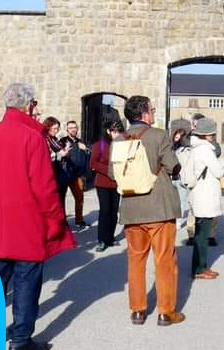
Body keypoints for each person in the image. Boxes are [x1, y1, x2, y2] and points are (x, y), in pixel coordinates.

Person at [0, 83, 76, 350]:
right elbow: (44, 186)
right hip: (26, 221)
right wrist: (55, 219)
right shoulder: (31, 138)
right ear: (28, 105)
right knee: (26, 284)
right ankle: (20, 340)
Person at [112, 95, 185, 327]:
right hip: (158, 207)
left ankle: (137, 310)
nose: (153, 113)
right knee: (164, 259)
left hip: (132, 208)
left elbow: (114, 174)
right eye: (152, 109)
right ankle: (165, 311)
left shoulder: (119, 139)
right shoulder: (158, 135)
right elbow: (172, 165)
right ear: (144, 113)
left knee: (135, 260)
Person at [188, 118, 224, 279]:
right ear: (208, 134)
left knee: (200, 233)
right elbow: (218, 171)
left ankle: (200, 266)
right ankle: (199, 268)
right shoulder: (205, 150)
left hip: (199, 194)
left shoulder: (197, 147)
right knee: (203, 235)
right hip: (205, 196)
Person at [90, 117, 124, 251]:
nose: (117, 134)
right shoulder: (99, 144)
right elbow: (93, 163)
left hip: (117, 183)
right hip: (103, 182)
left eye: (119, 132)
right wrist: (110, 171)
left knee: (114, 211)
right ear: (109, 131)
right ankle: (102, 239)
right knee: (105, 211)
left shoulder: (121, 144)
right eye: (115, 132)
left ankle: (110, 237)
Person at [59, 120, 90, 230]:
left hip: (77, 175)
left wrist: (85, 149)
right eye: (71, 128)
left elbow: (88, 154)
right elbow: (59, 155)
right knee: (61, 199)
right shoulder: (62, 141)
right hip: (65, 174)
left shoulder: (80, 142)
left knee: (79, 198)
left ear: (77, 129)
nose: (73, 129)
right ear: (67, 130)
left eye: (74, 127)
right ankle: (63, 222)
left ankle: (79, 220)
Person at [169, 118, 194, 243]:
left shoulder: (186, 149)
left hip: (181, 177)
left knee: (181, 201)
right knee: (172, 200)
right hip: (171, 177)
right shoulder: (170, 147)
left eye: (179, 137)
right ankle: (173, 219)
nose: (176, 139)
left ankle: (178, 221)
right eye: (176, 136)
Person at [43, 117, 72, 218]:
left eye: (57, 129)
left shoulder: (54, 139)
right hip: (53, 171)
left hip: (59, 170)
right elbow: (62, 153)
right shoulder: (47, 138)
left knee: (61, 197)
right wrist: (66, 150)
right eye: (54, 128)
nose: (56, 131)